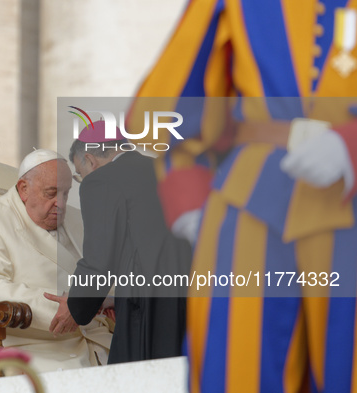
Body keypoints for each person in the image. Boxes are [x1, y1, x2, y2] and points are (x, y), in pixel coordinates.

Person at [129, 1, 357, 392]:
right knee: (235, 373)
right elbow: (172, 100)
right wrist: (187, 195)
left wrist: (351, 143)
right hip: (249, 206)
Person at [0, 149, 113, 373]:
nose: (60, 204)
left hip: (90, 337)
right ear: (24, 189)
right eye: (51, 193)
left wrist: (95, 301)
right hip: (26, 343)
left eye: (65, 193)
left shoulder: (78, 218)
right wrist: (67, 309)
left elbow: (110, 270)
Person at [59, 121, 191, 364]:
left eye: (80, 173)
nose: (83, 179)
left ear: (89, 159)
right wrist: (113, 298)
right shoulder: (163, 169)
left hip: (148, 307)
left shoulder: (100, 181)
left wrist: (76, 306)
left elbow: (99, 259)